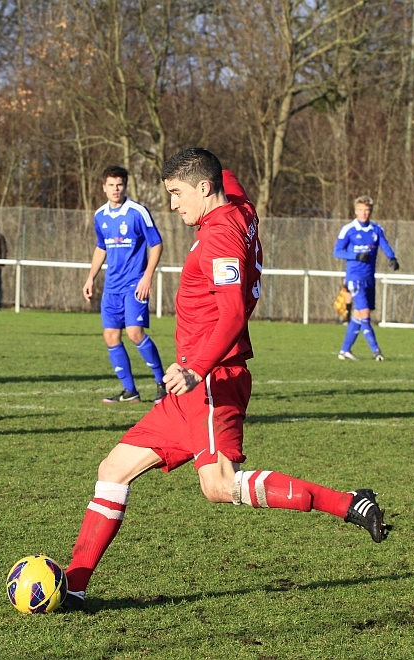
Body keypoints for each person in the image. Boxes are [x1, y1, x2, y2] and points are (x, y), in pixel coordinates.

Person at [60, 148, 390, 612]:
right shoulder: (241, 207)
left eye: (177, 194)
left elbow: (233, 314)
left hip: (210, 379)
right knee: (113, 470)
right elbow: (224, 175)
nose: (172, 205)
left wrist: (196, 368)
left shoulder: (220, 239)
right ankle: (73, 588)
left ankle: (348, 502)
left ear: (203, 189)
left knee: (218, 486)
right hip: (186, 387)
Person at [82, 165, 166, 404]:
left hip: (134, 285)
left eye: (119, 184)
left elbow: (157, 244)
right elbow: (101, 247)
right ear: (104, 187)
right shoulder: (100, 215)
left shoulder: (138, 212)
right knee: (110, 336)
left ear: (125, 186)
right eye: (111, 185)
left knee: (134, 333)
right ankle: (130, 391)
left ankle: (162, 384)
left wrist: (147, 276)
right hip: (111, 288)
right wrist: (91, 277)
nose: (115, 189)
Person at [333, 195, 399, 361]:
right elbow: (337, 251)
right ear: (356, 211)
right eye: (361, 210)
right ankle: (376, 351)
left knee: (358, 314)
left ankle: (345, 350)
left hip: (370, 278)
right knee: (365, 313)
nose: (364, 213)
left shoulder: (376, 229)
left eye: (367, 210)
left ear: (371, 211)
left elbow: (384, 244)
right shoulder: (348, 229)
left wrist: (392, 258)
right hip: (354, 277)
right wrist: (355, 255)